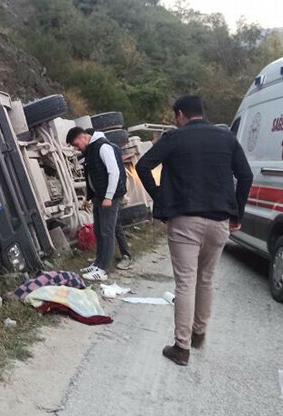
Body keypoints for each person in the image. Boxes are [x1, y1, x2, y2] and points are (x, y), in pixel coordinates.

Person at [135, 95, 253, 366]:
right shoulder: (226, 138)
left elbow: (143, 166)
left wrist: (160, 196)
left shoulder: (174, 138)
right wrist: (237, 214)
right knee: (206, 279)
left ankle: (182, 347)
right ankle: (199, 332)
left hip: (184, 220)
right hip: (219, 220)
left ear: (180, 114)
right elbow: (246, 176)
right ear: (202, 112)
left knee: (185, 283)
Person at [66, 127, 127, 281]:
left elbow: (114, 172)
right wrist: (89, 197)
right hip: (99, 197)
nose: (76, 148)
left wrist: (109, 196)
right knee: (99, 231)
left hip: (109, 198)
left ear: (83, 137)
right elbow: (92, 176)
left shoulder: (103, 147)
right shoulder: (90, 150)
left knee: (107, 232)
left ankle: (103, 269)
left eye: (76, 144)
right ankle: (98, 263)